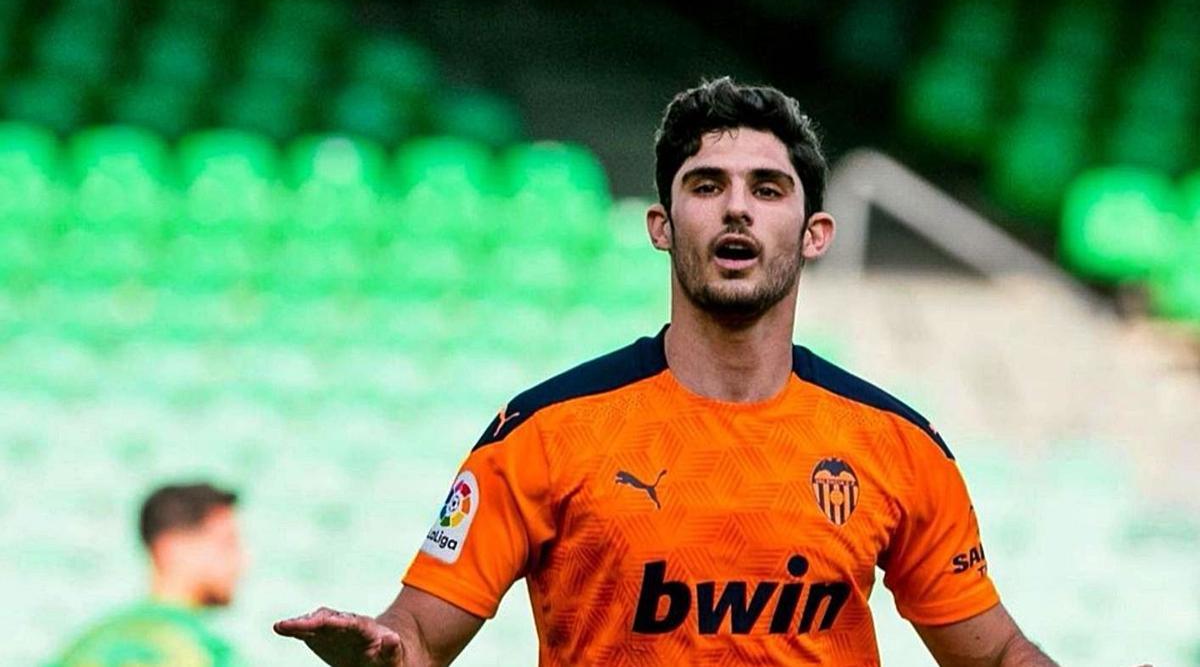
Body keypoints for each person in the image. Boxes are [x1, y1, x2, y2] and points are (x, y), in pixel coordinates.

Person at [276, 77, 1056, 666]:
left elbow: (990, 653)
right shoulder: (547, 430)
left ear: (816, 232)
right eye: (707, 186)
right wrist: (384, 652)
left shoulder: (897, 443)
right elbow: (417, 631)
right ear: (661, 225)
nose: (736, 209)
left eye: (768, 188)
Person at [52, 482, 245, 667]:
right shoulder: (200, 651)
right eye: (227, 544)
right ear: (173, 546)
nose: (243, 561)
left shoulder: (88, 645)